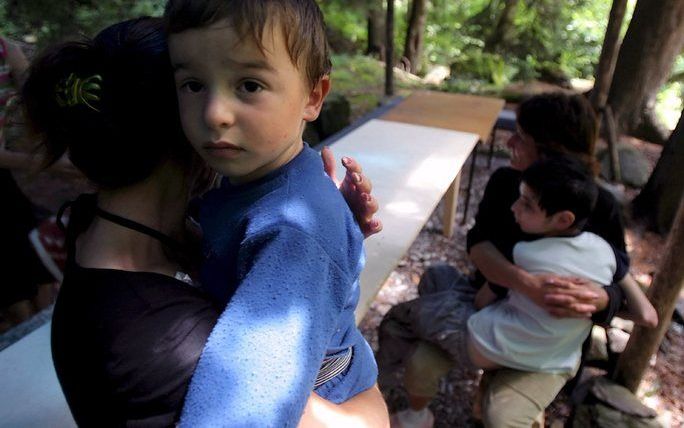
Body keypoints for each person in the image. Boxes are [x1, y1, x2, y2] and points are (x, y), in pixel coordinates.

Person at [23, 17, 385, 427]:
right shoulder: (171, 341)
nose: (220, 112)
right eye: (195, 87)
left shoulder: (103, 228)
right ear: (187, 124)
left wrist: (331, 234)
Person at [163, 1, 382, 426]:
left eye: (248, 85)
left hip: (320, 394)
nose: (214, 114)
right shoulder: (254, 177)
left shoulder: (293, 230)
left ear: (313, 97)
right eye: (192, 85)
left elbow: (243, 405)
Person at [377, 93, 634, 427]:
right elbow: (478, 244)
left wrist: (602, 299)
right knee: (435, 282)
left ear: (553, 152)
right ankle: (414, 406)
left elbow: (624, 287)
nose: (509, 140)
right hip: (486, 308)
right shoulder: (506, 183)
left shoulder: (598, 205)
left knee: (409, 320)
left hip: (544, 340)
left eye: (522, 137)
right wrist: (524, 282)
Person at [465, 158, 656, 426]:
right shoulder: (606, 252)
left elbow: (482, 300)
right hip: (562, 358)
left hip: (501, 346)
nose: (514, 208)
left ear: (563, 219)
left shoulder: (524, 253)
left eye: (526, 204)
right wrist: (599, 302)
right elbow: (648, 317)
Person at [0, 33, 58, 332]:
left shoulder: (6, 48)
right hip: (8, 176)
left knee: (27, 243)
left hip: (11, 180)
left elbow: (36, 97)